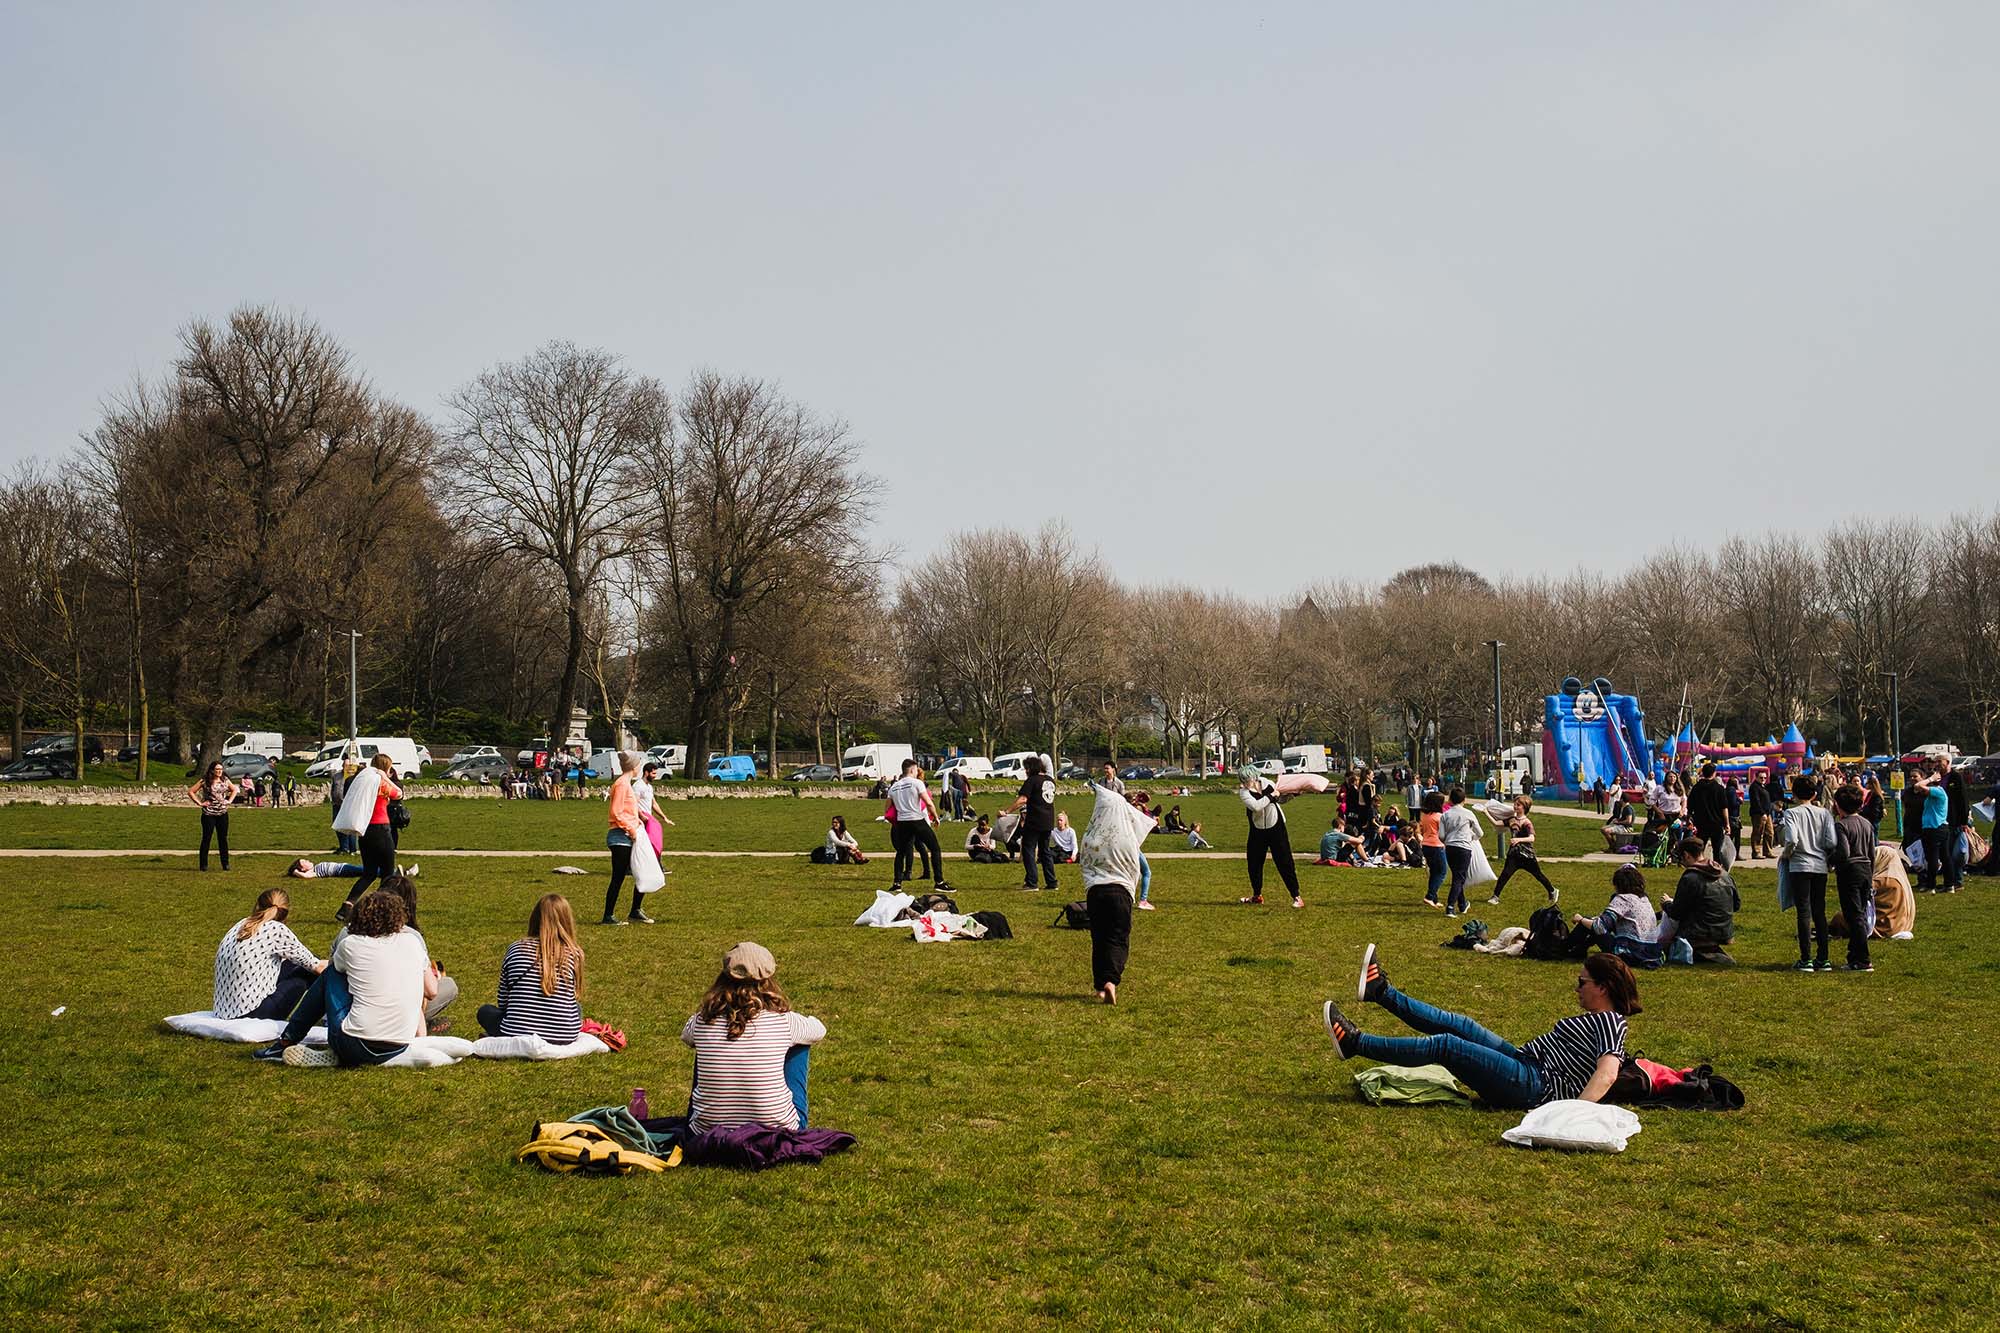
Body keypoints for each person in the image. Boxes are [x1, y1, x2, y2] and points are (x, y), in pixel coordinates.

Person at [1322, 945, 1638, 1109]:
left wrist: (1574, 1113)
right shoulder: (1598, 1018)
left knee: (1447, 1045)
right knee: (1461, 1025)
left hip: (1533, 1086)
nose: (1577, 987)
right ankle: (1382, 993)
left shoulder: (1611, 1022)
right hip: (1525, 1062)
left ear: (1604, 987)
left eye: (1582, 982)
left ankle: (1356, 1043)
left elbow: (1608, 1072)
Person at [257, 889, 434, 1067]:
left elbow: (333, 970)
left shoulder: (351, 945)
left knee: (330, 974)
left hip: (354, 1044)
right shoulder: (412, 942)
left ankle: (286, 1041)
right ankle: (338, 1055)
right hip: (401, 1043)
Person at [681, 942, 826, 1133]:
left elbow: (686, 1036)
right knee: (800, 1043)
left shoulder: (702, 1020)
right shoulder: (784, 1022)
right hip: (776, 1130)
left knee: (702, 1045)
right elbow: (819, 1030)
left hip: (706, 1131)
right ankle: (781, 1116)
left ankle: (711, 1113)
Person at [1080, 776, 1155, 1003]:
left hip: (1095, 892)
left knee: (1099, 939)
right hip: (1120, 892)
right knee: (1118, 938)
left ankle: (1100, 987)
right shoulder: (1127, 838)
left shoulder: (1090, 837)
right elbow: (1142, 824)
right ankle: (1111, 981)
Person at [477, 893, 584, 1042]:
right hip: (564, 1035)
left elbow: (503, 1001)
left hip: (516, 1031)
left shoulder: (516, 948)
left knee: (485, 1011)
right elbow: (572, 997)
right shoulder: (574, 953)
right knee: (577, 1008)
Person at [213, 888, 325, 1020]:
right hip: (253, 1013)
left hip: (224, 1010)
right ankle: (326, 1017)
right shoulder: (277, 930)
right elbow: (316, 966)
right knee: (307, 972)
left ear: (257, 906)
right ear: (285, 912)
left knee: (293, 964)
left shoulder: (241, 924)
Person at [1779, 773, 1839, 972]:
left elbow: (1792, 839)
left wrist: (1787, 855)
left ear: (1794, 794)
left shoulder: (1792, 814)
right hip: (1819, 865)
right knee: (1819, 911)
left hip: (1799, 865)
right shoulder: (1824, 814)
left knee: (1803, 912)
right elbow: (1832, 842)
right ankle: (1823, 958)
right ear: (1814, 794)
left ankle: (1806, 958)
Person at [333, 754, 402, 921]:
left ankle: (347, 906)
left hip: (365, 831)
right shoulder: (380, 783)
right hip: (381, 829)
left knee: (369, 873)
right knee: (388, 874)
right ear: (386, 767)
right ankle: (378, 910)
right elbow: (399, 794)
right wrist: (385, 777)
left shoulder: (363, 782)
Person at [1657, 838, 1740, 964]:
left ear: (1686, 855)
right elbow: (1736, 905)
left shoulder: (1690, 878)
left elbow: (1676, 913)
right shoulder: (1724, 875)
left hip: (1697, 933)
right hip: (1724, 931)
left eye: (1681, 859)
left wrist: (1666, 903)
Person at [1237, 769, 1303, 908]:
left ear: (1254, 777)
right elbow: (1256, 806)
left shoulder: (1267, 783)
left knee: (1285, 861)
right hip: (1257, 830)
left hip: (1276, 828)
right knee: (1254, 863)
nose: (1244, 783)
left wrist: (1292, 794)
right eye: (1242, 781)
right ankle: (1257, 895)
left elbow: (1280, 799)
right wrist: (1272, 795)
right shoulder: (1244, 793)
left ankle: (1296, 896)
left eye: (1246, 780)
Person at [1572, 864, 1660, 966]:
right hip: (1650, 953)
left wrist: (1581, 919)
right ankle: (1578, 949)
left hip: (1629, 954)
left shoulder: (1623, 899)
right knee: (1592, 922)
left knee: (1588, 923)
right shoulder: (1644, 899)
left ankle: (1564, 947)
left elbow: (1599, 926)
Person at [1831, 785, 1878, 973]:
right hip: (1866, 869)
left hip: (1850, 871)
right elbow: (1872, 852)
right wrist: (1871, 874)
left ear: (1838, 805)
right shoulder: (1866, 824)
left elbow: (1843, 852)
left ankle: (1863, 959)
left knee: (1854, 916)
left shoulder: (1841, 825)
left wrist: (1830, 860)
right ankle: (1853, 956)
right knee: (1859, 914)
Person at [602, 751, 651, 926]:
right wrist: (631, 829)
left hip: (628, 834)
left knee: (640, 871)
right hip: (621, 837)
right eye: (638, 764)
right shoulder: (622, 784)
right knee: (618, 877)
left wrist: (638, 820)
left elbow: (626, 810)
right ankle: (608, 915)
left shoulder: (626, 784)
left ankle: (635, 910)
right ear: (633, 766)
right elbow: (616, 812)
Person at [888, 760, 952, 893]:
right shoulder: (917, 783)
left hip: (902, 822)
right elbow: (928, 803)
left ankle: (897, 883)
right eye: (916, 770)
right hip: (916, 819)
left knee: (901, 852)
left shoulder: (894, 786)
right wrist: (935, 816)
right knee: (934, 848)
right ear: (912, 770)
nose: (917, 772)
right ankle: (939, 881)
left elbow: (887, 808)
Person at [1488, 795, 1558, 905]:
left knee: (1538, 875)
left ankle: (1552, 891)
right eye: (1515, 804)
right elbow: (1496, 823)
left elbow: (1532, 838)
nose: (1515, 806)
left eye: (1518, 805)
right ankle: (1495, 896)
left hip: (1527, 855)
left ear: (1524, 807)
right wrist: (1485, 812)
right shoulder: (1512, 820)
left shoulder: (1527, 823)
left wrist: (1518, 840)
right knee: (1505, 875)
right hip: (1513, 855)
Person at [1005, 755, 1059, 892]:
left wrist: (1007, 811)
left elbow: (1023, 799)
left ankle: (1032, 883)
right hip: (1048, 821)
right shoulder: (1050, 780)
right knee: (1045, 851)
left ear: (1031, 768)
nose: (1025, 771)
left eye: (1026, 768)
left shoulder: (1032, 781)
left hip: (1034, 821)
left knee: (1028, 850)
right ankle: (1052, 882)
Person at [1437, 786, 1483, 918]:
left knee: (1458, 876)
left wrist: (1448, 840)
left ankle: (1463, 904)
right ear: (1464, 799)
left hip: (1450, 847)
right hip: (1464, 847)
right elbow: (1480, 832)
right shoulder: (1468, 814)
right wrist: (1471, 837)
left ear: (1450, 799)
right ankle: (1450, 906)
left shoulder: (1445, 815)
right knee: (1459, 878)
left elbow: (1441, 835)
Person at [188, 761, 234, 872]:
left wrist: (229, 801)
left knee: (223, 839)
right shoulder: (205, 781)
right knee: (206, 839)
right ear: (212, 770)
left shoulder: (225, 780)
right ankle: (203, 865)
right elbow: (191, 791)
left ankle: (225, 864)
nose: (219, 771)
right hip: (209, 814)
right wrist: (200, 803)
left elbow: (234, 790)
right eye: (217, 769)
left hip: (222, 813)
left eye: (221, 769)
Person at [1418, 790, 1448, 908]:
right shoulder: (1439, 817)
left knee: (1434, 872)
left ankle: (1434, 899)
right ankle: (1430, 896)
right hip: (1437, 845)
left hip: (1426, 845)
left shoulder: (1425, 816)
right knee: (1441, 872)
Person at [1944, 764, 1970, 893]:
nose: (1936, 764)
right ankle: (1949, 880)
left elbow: (1963, 799)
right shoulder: (1937, 778)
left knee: (1957, 852)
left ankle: (1958, 881)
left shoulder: (1955, 777)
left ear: (1947, 762)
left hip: (1955, 821)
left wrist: (1964, 821)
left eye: (1939, 761)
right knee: (1946, 852)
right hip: (1942, 821)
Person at [1746, 770, 1776, 859]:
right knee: (1758, 832)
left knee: (1770, 833)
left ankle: (1767, 851)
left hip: (1767, 813)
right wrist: (1762, 813)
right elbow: (1756, 801)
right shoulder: (1754, 787)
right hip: (1758, 814)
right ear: (1756, 777)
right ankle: (1756, 852)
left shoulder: (1764, 787)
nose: (1763, 779)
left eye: (1765, 778)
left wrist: (1768, 812)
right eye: (1761, 777)